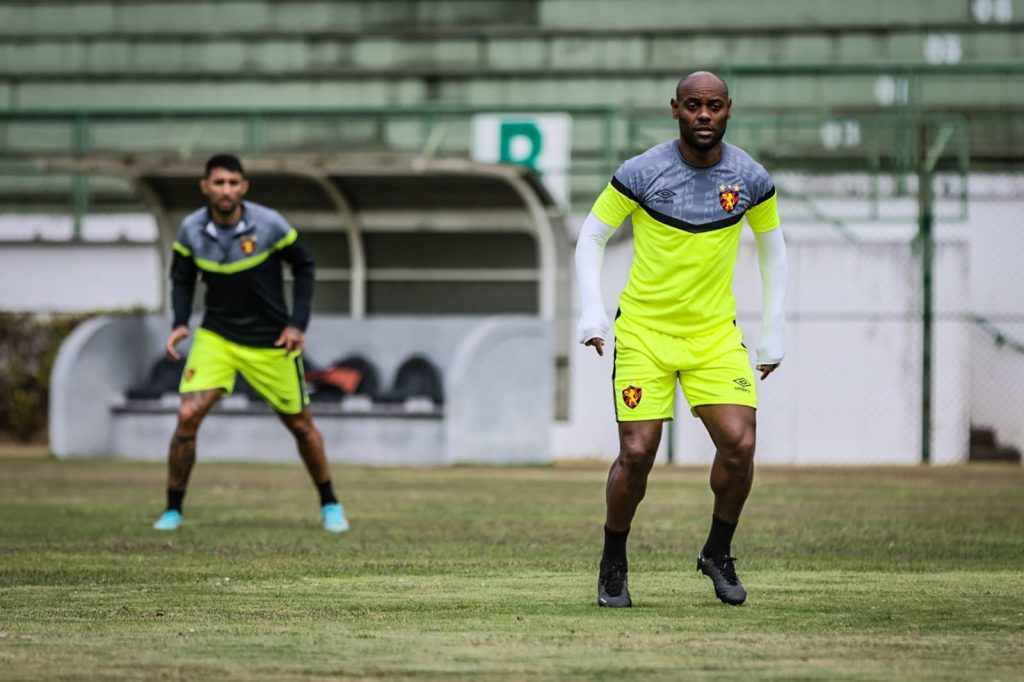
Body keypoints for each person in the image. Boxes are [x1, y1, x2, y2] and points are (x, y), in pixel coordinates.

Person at [575, 71, 787, 607]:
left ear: (728, 110)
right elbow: (593, 234)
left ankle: (717, 552)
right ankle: (613, 561)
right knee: (638, 453)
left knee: (740, 445)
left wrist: (773, 330)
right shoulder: (642, 172)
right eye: (693, 105)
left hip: (714, 337)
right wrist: (592, 312)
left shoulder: (750, 178)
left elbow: (774, 250)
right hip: (645, 333)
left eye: (713, 106)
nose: (703, 115)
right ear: (675, 109)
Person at [151, 154, 348, 533]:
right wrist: (179, 322)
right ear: (205, 186)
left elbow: (305, 267)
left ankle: (330, 504)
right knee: (188, 416)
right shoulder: (191, 230)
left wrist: (297, 324)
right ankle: (173, 510)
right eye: (219, 183)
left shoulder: (268, 223)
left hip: (270, 341)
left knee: (301, 425)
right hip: (217, 337)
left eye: (233, 183)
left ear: (244, 187)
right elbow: (182, 278)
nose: (226, 190)